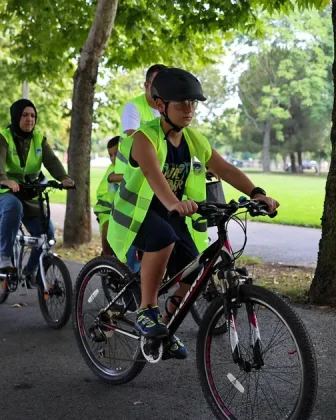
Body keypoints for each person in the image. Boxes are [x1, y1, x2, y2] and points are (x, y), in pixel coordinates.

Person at [107, 68, 279, 359]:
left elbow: (224, 168)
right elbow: (152, 174)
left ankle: (165, 326)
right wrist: (174, 202)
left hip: (170, 210)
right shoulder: (143, 138)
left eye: (192, 103)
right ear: (161, 105)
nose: (189, 110)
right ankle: (147, 310)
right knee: (162, 237)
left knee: (195, 267)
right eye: (181, 104)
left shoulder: (192, 139)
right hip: (136, 213)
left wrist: (256, 193)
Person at [0, 99, 74, 283]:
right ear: (16, 117)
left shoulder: (39, 139)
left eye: (33, 115)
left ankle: (30, 272)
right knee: (13, 206)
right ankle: (4, 257)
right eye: (24, 115)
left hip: (29, 194)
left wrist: (63, 177)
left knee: (46, 237)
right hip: (0, 192)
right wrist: (4, 180)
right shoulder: (3, 137)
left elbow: (52, 161)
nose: (29, 119)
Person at [112, 64, 168, 271]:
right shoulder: (133, 107)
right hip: (131, 180)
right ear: (146, 85)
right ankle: (128, 278)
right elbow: (132, 138)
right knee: (134, 231)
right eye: (157, 84)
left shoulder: (168, 108)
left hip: (155, 180)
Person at [93, 136, 120, 256]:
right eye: (110, 155)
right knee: (108, 228)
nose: (113, 158)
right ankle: (106, 257)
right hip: (106, 209)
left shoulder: (129, 166)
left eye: (116, 154)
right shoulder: (113, 169)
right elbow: (113, 177)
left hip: (120, 208)